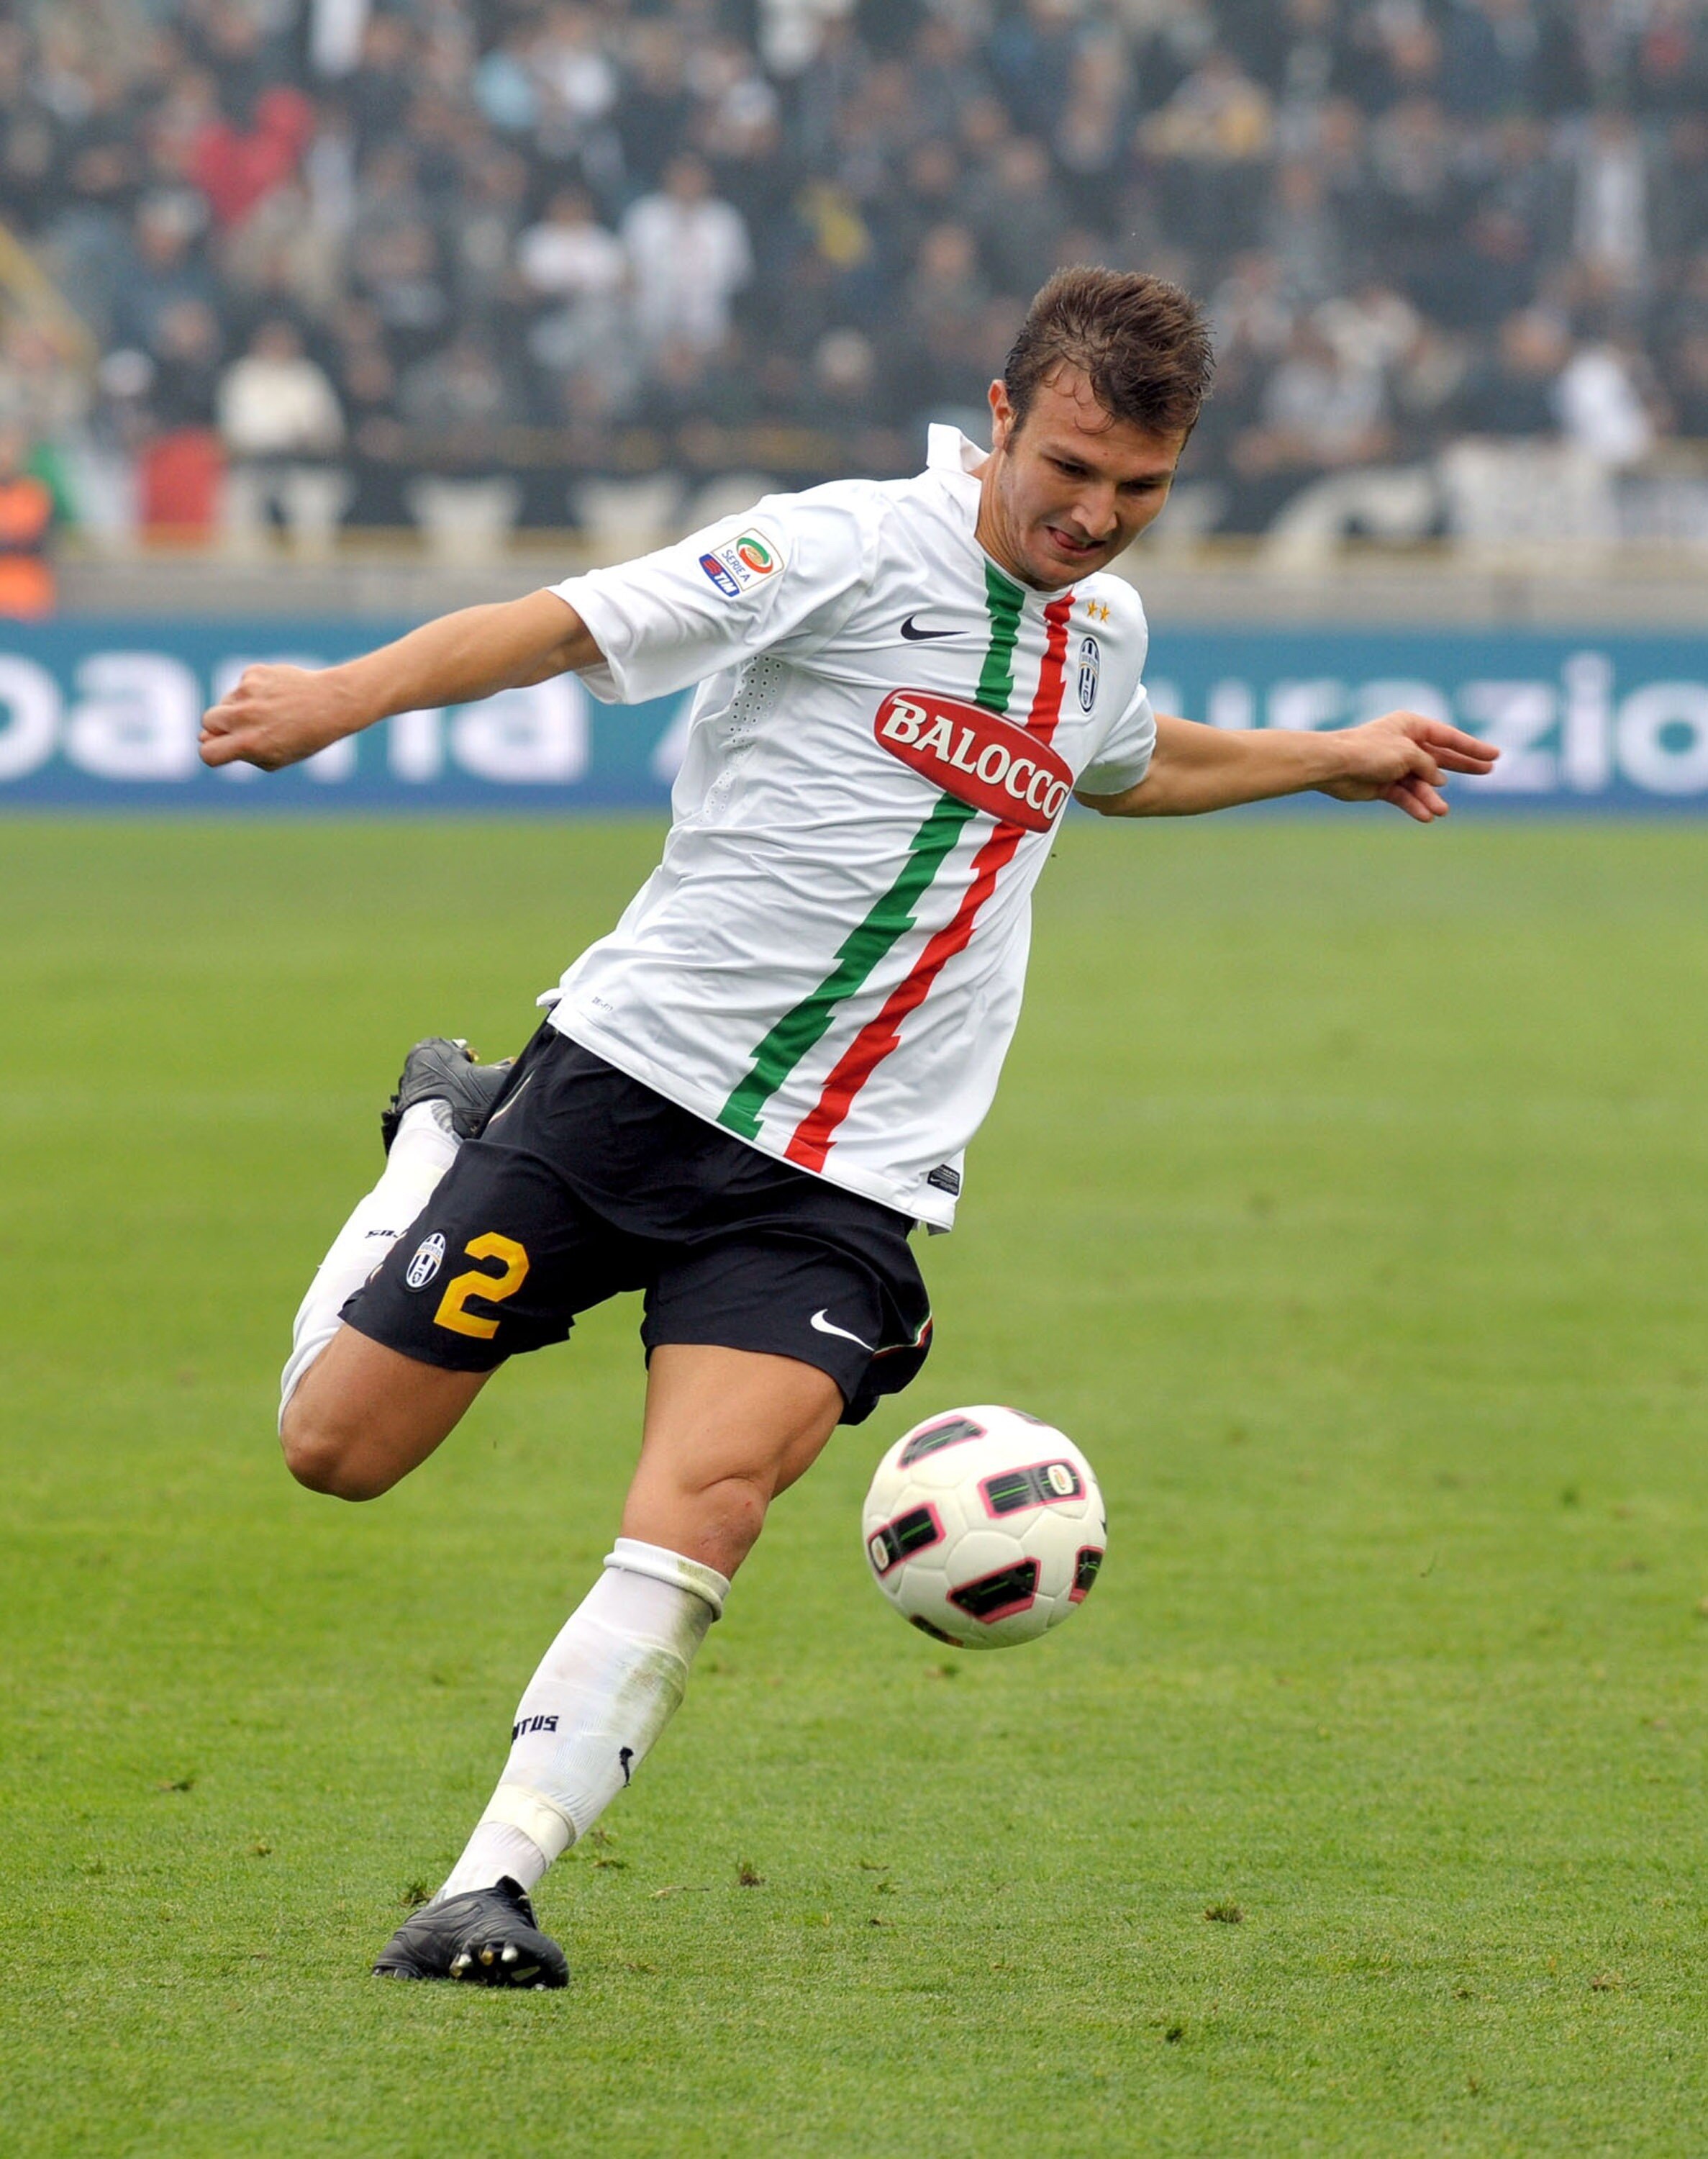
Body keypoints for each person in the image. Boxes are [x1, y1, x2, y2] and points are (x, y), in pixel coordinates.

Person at [198, 267, 1496, 1991]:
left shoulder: (1097, 630)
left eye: (1140, 491)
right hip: (627, 1088)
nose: (1096, 518)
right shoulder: (839, 546)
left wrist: (1322, 754)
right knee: (338, 1449)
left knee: (707, 1504)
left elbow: (1122, 766)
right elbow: (574, 620)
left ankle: (486, 1886)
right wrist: (348, 696)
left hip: (845, 1172)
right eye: (1073, 472)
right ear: (1005, 414)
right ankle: (436, 1140)